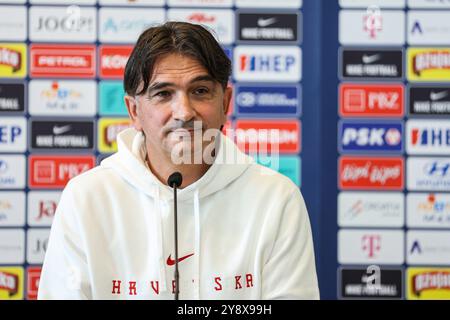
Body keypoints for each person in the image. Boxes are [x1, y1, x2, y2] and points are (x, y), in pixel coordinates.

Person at [38, 21, 320, 300]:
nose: (184, 112)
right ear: (134, 111)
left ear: (225, 104)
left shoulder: (276, 198)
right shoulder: (87, 197)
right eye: (163, 94)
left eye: (200, 91)